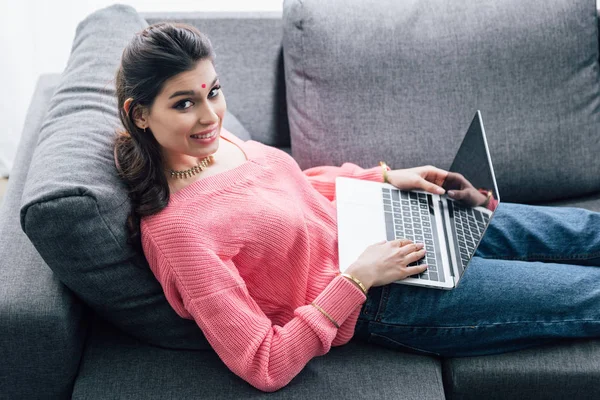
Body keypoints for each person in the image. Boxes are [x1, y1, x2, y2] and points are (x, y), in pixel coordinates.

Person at [113, 23, 600, 392]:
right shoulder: (178, 234)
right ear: (140, 114)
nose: (208, 115)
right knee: (588, 292)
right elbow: (264, 363)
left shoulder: (213, 145)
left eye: (213, 92)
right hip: (382, 295)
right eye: (183, 104)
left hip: (384, 218)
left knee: (582, 232)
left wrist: (384, 178)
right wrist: (357, 280)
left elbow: (292, 190)